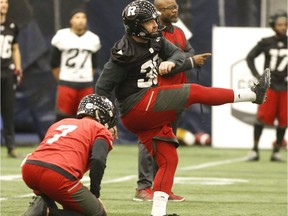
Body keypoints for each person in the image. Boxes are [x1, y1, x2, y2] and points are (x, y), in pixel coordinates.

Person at [95, 1, 270, 215]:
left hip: (147, 108)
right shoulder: (123, 51)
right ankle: (253, 95)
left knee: (169, 158)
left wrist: (171, 63)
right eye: (150, 21)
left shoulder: (156, 38)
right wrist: (109, 122)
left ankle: (158, 212)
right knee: (193, 91)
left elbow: (179, 54)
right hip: (136, 106)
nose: (155, 24)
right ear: (137, 26)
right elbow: (102, 88)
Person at [133, 0, 212, 202]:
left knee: (168, 142)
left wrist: (183, 61)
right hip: (156, 93)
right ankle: (143, 187)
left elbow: (190, 53)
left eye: (175, 6)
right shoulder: (151, 34)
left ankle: (162, 189)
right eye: (170, 8)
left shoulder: (179, 31)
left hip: (177, 94)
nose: (175, 10)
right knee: (150, 141)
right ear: (158, 12)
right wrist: (186, 62)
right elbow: (162, 66)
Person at [21, 94, 118, 216]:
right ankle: (46, 211)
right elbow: (98, 159)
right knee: (99, 214)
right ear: (102, 114)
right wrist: (94, 194)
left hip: (30, 168)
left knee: (71, 207)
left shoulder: (60, 123)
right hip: (57, 175)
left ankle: (43, 204)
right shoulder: (100, 129)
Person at [246, 11, 287, 162]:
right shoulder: (266, 42)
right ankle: (255, 149)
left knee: (284, 119)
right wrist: (258, 76)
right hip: (270, 86)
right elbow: (250, 57)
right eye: (280, 25)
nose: (283, 28)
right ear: (273, 26)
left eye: (285, 25)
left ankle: (276, 151)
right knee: (262, 118)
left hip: (285, 87)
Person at [51, 8, 101, 122]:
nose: (81, 20)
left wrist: (85, 77)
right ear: (71, 20)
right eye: (77, 17)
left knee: (86, 117)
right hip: (66, 82)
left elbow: (94, 64)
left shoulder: (93, 38)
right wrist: (62, 79)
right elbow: (54, 63)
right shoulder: (61, 36)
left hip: (86, 83)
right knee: (62, 117)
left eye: (83, 17)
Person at [0, 0, 23, 158]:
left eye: (6, 2)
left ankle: (11, 146)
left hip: (7, 71)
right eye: (1, 2)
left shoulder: (12, 25)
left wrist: (18, 67)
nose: (4, 5)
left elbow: (15, 47)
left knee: (8, 109)